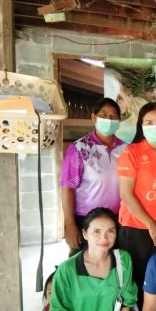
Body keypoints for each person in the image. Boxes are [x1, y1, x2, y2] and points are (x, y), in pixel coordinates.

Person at [117, 102, 156, 310]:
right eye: (149, 122)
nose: (155, 127)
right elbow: (126, 194)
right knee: (136, 283)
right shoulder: (131, 152)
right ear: (141, 125)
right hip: (137, 229)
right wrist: (151, 225)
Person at [61, 98, 125, 254]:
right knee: (83, 263)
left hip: (117, 221)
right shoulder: (79, 148)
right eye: (103, 115)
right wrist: (70, 224)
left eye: (113, 116)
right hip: (86, 221)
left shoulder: (125, 149)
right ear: (93, 118)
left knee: (113, 263)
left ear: (119, 120)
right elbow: (68, 188)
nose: (108, 120)